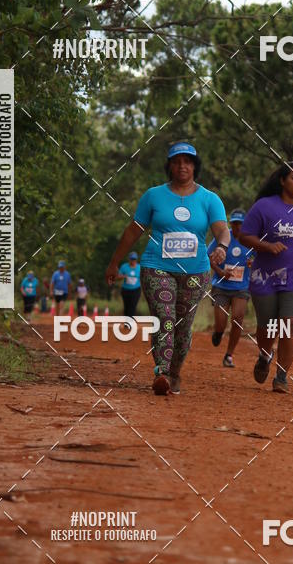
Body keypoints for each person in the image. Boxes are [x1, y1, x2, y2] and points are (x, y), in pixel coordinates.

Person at [105, 140, 230, 396]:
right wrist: (114, 261)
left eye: (187, 161)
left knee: (183, 327)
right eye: (176, 162)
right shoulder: (153, 196)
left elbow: (221, 230)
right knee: (165, 319)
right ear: (169, 167)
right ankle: (161, 372)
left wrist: (222, 247)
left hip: (195, 271)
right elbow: (133, 231)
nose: (182, 166)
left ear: (195, 166)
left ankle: (175, 373)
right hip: (156, 266)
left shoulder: (209, 199)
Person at [239, 161, 293, 394]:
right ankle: (264, 355)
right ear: (282, 180)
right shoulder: (264, 207)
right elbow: (245, 236)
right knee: (267, 327)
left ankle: (281, 376)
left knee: (289, 325)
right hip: (264, 275)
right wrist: (267, 246)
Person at [207, 209, 254, 368]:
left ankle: (229, 355)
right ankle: (218, 332)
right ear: (231, 223)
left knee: (238, 320)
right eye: (235, 223)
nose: (238, 226)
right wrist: (220, 271)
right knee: (221, 323)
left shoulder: (251, 240)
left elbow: (258, 259)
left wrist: (252, 264)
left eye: (241, 223)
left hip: (241, 287)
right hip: (221, 285)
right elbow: (209, 257)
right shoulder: (223, 238)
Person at [117, 252, 142, 317]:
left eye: (134, 259)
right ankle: (127, 322)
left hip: (136, 290)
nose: (133, 261)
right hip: (125, 290)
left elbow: (143, 278)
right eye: (131, 259)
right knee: (126, 307)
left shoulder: (140, 268)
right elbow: (118, 277)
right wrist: (123, 276)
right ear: (129, 259)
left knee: (133, 306)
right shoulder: (124, 266)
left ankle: (131, 322)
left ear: (136, 259)